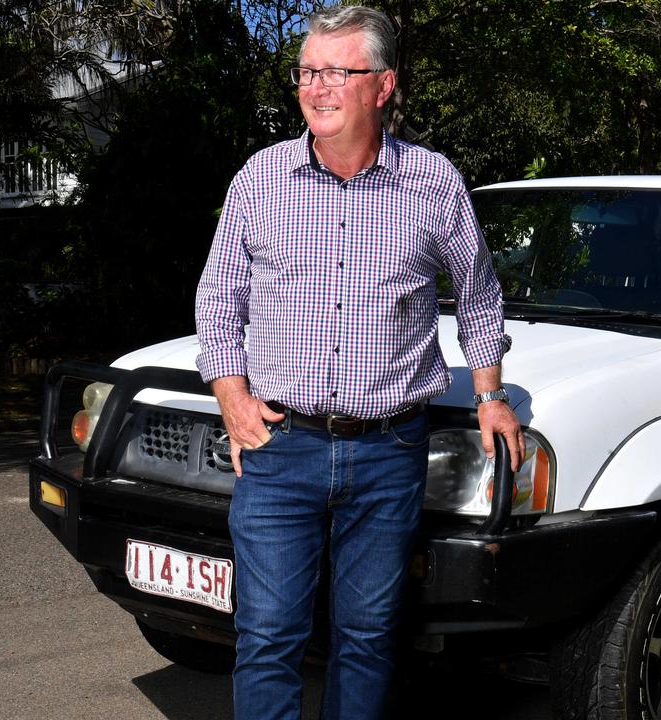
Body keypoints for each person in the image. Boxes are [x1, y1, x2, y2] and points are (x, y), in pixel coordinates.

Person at [193, 5, 524, 719]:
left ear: (383, 86)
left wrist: (491, 395)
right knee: (268, 636)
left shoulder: (433, 184)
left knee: (369, 638)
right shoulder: (259, 179)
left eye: (336, 72)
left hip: (389, 452)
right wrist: (231, 396)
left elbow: (478, 296)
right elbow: (218, 300)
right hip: (281, 449)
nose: (317, 87)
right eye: (308, 72)